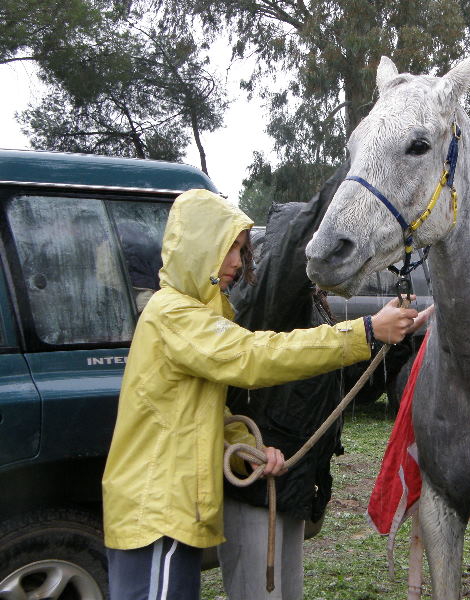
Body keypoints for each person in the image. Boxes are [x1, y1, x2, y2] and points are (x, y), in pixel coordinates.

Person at [101, 188, 420, 600]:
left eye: (240, 249)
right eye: (229, 248)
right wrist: (364, 332)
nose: (237, 261)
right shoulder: (173, 314)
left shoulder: (193, 314)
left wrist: (249, 445)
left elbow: (197, 412)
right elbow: (253, 356)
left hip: (169, 508)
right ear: (199, 246)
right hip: (156, 509)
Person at [218, 163, 432, 600]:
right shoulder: (268, 297)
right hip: (261, 476)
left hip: (290, 475)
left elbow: (326, 373)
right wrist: (367, 162)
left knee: (285, 591)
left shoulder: (312, 304)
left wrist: (389, 338)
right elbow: (298, 243)